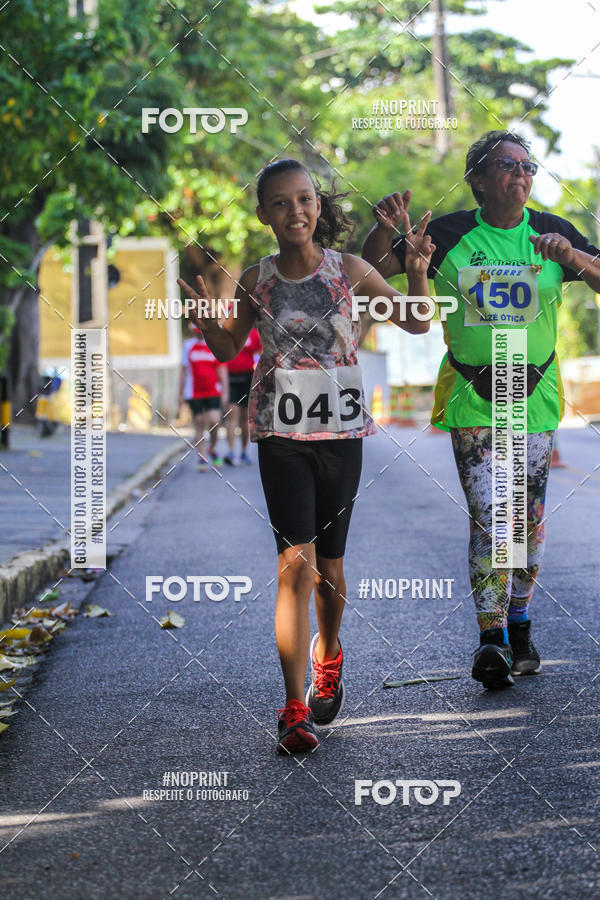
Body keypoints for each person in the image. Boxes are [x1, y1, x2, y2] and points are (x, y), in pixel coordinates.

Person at [178, 158, 435, 753]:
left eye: (304, 200)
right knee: (294, 564)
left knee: (331, 571)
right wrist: (203, 323)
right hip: (280, 436)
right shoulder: (256, 279)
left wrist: (417, 274)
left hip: (341, 437)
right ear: (264, 214)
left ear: (318, 206)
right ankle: (293, 706)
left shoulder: (350, 270)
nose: (295, 211)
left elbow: (417, 323)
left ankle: (329, 651)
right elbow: (227, 347)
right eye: (280, 203)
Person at [363, 130, 600, 689]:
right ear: (477, 180)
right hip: (473, 394)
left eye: (528, 165)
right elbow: (373, 275)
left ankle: (520, 625)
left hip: (534, 395)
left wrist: (576, 259)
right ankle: (490, 639)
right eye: (506, 164)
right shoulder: (447, 233)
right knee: (492, 516)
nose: (521, 174)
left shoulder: (551, 230)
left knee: (528, 526)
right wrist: (383, 229)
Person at [179, 323, 229, 471]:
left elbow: (222, 369)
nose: (199, 334)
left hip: (213, 390)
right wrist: (180, 394)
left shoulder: (214, 345)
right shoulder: (188, 346)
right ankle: (201, 456)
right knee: (199, 423)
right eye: (197, 332)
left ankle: (212, 447)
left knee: (214, 420)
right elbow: (183, 370)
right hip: (194, 391)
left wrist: (225, 391)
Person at [223, 326, 262, 466]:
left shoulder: (252, 334)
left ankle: (244, 451)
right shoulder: (225, 334)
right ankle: (231, 452)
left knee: (245, 418)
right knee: (232, 415)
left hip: (247, 378)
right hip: (230, 378)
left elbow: (259, 353)